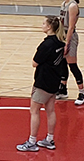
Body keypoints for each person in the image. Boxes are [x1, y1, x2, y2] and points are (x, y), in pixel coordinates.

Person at [16, 15, 66, 153]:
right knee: (50, 111)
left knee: (34, 110)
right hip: (54, 81)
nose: (42, 25)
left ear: (49, 27)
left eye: (44, 23)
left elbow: (34, 63)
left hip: (43, 81)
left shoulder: (46, 45)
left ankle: (32, 141)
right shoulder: (60, 43)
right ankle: (49, 139)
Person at [57, 0, 84, 106]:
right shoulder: (63, 4)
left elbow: (71, 27)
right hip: (62, 34)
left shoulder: (72, 6)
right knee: (62, 63)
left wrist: (67, 43)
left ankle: (82, 93)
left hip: (70, 36)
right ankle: (63, 89)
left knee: (72, 65)